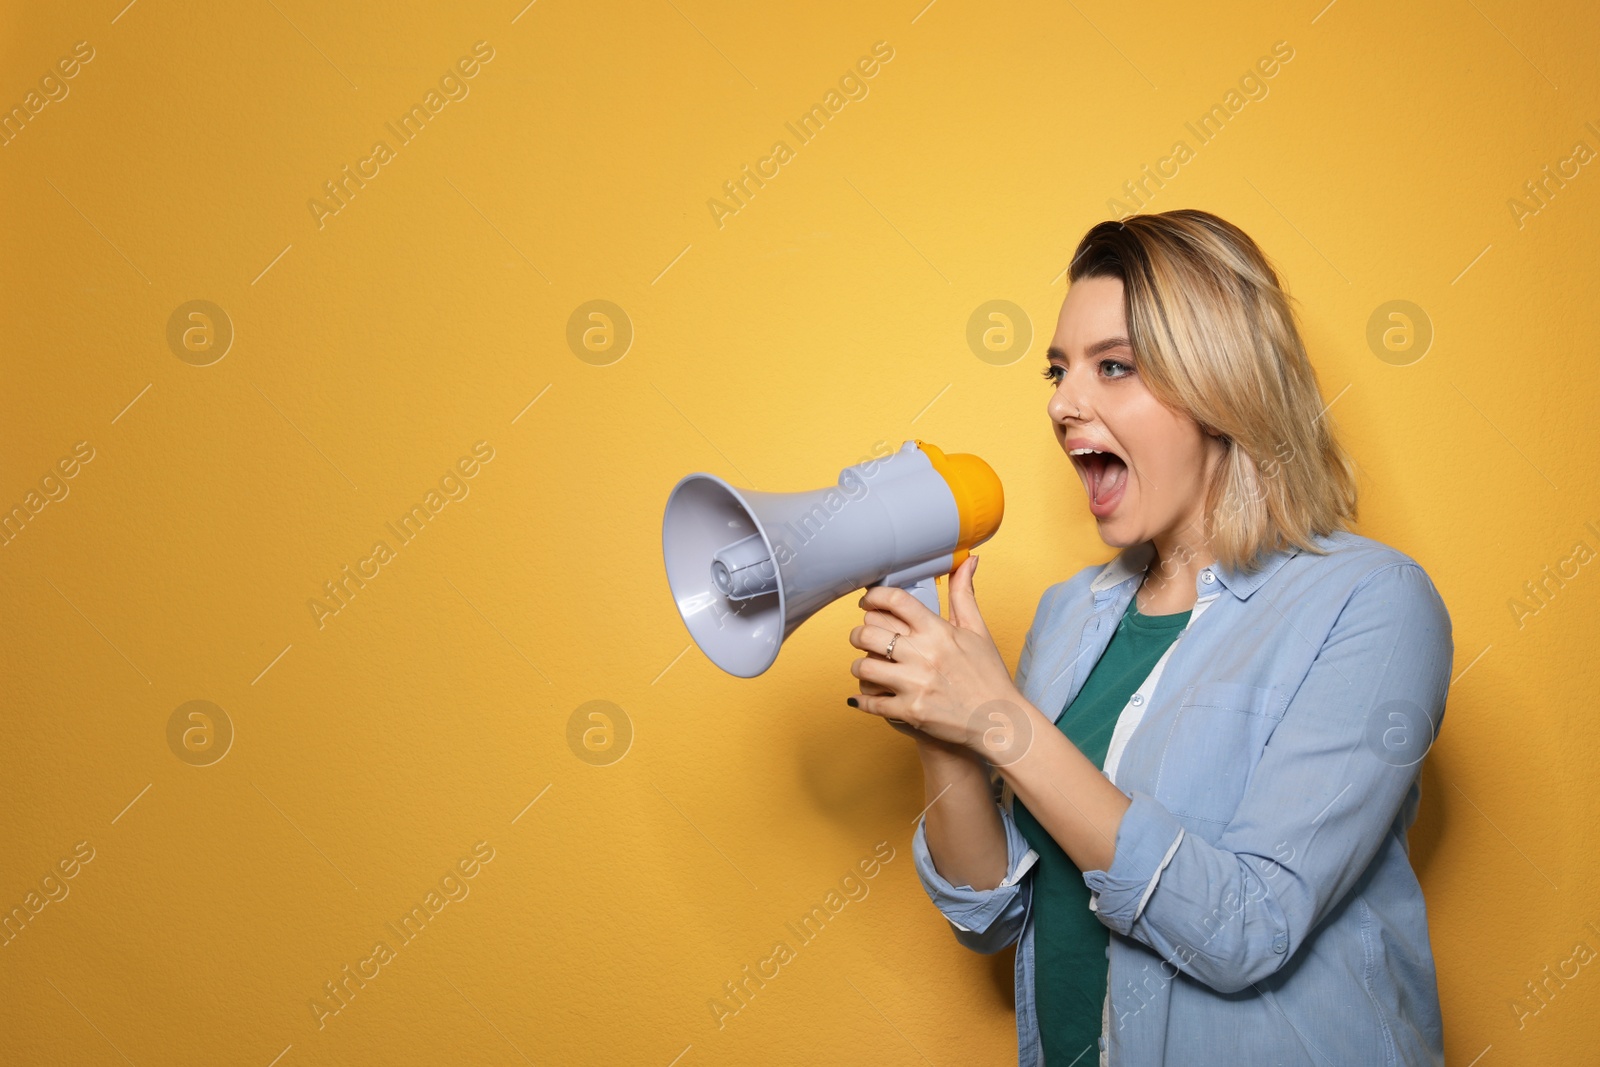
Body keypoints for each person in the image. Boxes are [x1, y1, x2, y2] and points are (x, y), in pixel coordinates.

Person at [844, 209, 1453, 1066]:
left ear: (1224, 386)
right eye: (1059, 371)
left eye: (1115, 367)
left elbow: (1246, 927)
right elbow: (992, 914)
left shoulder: (1373, 603)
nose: (1062, 403)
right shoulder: (1069, 613)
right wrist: (940, 722)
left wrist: (1000, 721)